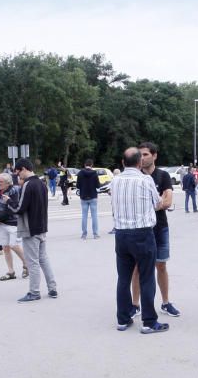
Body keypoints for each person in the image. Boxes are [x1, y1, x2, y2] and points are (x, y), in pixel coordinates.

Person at [111, 147, 168, 333]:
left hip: (121, 234)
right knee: (146, 277)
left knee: (123, 278)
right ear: (139, 162)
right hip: (142, 234)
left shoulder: (115, 181)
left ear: (122, 162)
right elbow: (158, 203)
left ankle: (123, 319)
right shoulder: (145, 180)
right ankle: (149, 322)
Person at [129, 142, 180, 319]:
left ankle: (165, 302)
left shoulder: (163, 175)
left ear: (154, 155)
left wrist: (149, 204)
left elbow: (167, 202)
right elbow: (136, 204)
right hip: (141, 229)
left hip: (160, 228)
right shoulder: (136, 177)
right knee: (137, 267)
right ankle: (135, 305)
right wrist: (157, 201)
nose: (142, 158)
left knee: (161, 265)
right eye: (140, 155)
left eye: (145, 154)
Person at [12, 158, 58, 302]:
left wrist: (8, 202)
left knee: (32, 262)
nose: (18, 176)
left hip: (30, 228)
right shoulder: (42, 184)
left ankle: (34, 292)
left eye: (18, 172)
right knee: (44, 259)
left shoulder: (28, 185)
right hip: (42, 227)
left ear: (24, 169)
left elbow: (20, 208)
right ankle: (52, 288)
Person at [0, 172, 28, 280]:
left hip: (13, 223)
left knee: (14, 245)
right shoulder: (0, 191)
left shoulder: (13, 191)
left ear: (8, 183)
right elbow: (0, 206)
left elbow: (11, 208)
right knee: (5, 247)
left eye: (1, 181)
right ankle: (11, 271)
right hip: (2, 223)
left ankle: (26, 264)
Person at [77, 159, 101, 238]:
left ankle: (84, 234)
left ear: (85, 165)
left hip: (83, 196)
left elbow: (77, 186)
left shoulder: (80, 173)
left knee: (84, 216)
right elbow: (98, 185)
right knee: (94, 216)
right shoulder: (95, 173)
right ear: (92, 165)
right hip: (93, 196)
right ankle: (95, 234)